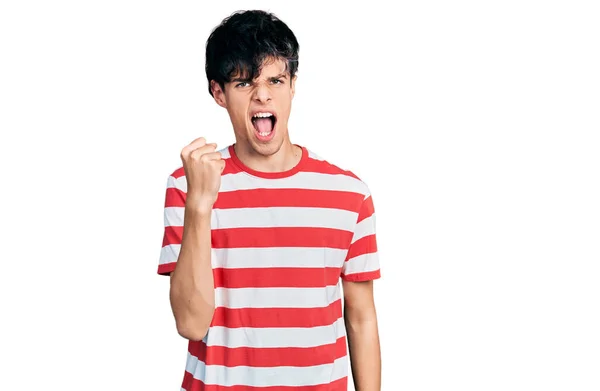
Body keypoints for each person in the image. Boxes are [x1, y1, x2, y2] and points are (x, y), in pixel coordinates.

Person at [158, 9, 382, 391]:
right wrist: (200, 205)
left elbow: (360, 318)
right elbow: (191, 323)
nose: (263, 94)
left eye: (276, 80)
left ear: (293, 85)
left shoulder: (349, 194)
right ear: (218, 92)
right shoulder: (188, 184)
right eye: (244, 83)